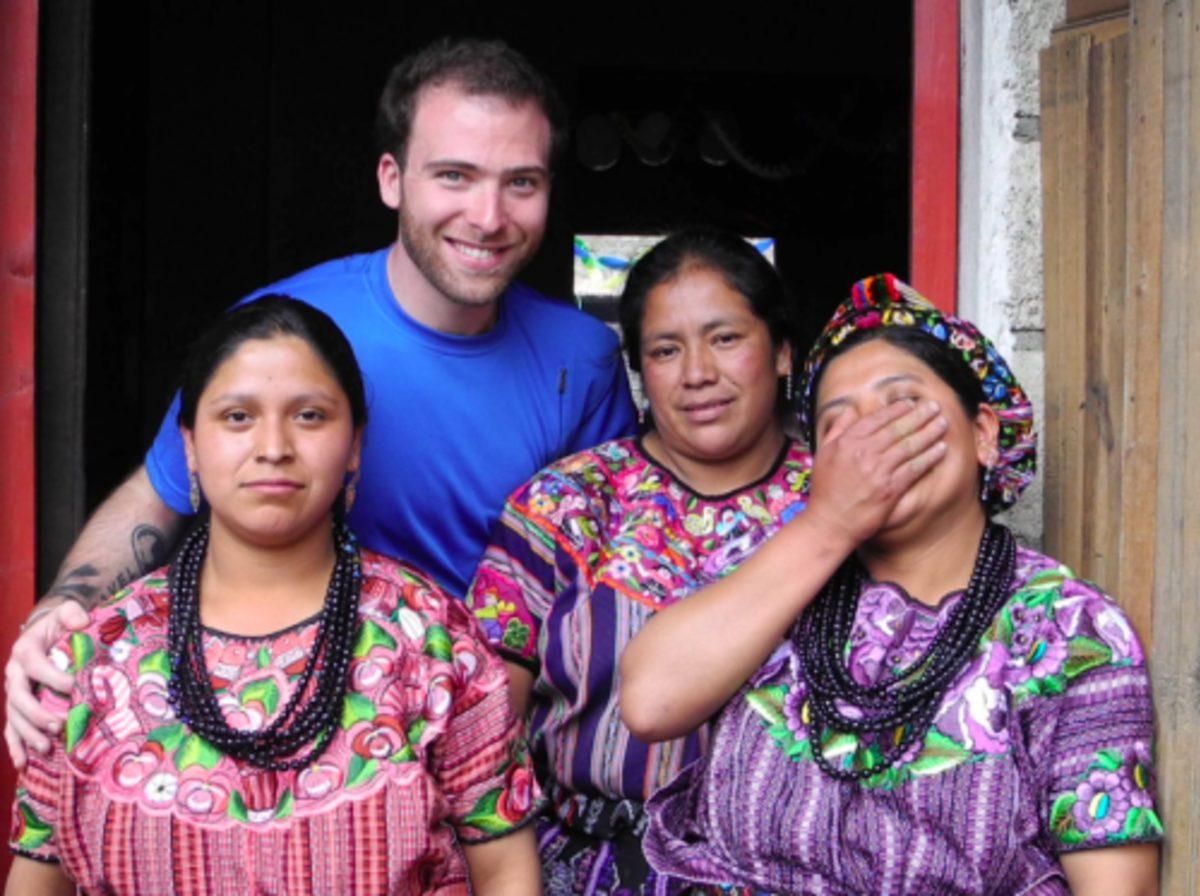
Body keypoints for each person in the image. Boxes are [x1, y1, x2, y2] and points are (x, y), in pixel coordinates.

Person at [6, 37, 635, 766]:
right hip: (292, 719)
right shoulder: (284, 327)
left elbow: (599, 576)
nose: (488, 216)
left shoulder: (581, 358)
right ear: (391, 178)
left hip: (496, 733)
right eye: (455, 176)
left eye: (520, 183)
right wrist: (60, 609)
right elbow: (159, 495)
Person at [623, 274, 1162, 895]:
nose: (870, 444)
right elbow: (651, 702)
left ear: (984, 433)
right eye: (838, 426)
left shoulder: (1068, 630)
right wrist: (830, 522)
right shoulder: (781, 575)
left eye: (900, 408)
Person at [6, 297, 541, 895]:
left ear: (355, 444)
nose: (273, 447)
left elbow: (506, 875)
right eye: (237, 417)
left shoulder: (435, 641)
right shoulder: (98, 652)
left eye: (309, 416)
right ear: (189, 444)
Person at [464, 233, 948, 894]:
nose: (697, 374)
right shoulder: (567, 505)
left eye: (725, 339)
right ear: (640, 370)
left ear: (781, 353)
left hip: (795, 873)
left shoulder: (848, 499)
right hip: (579, 870)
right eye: (666, 350)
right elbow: (483, 736)